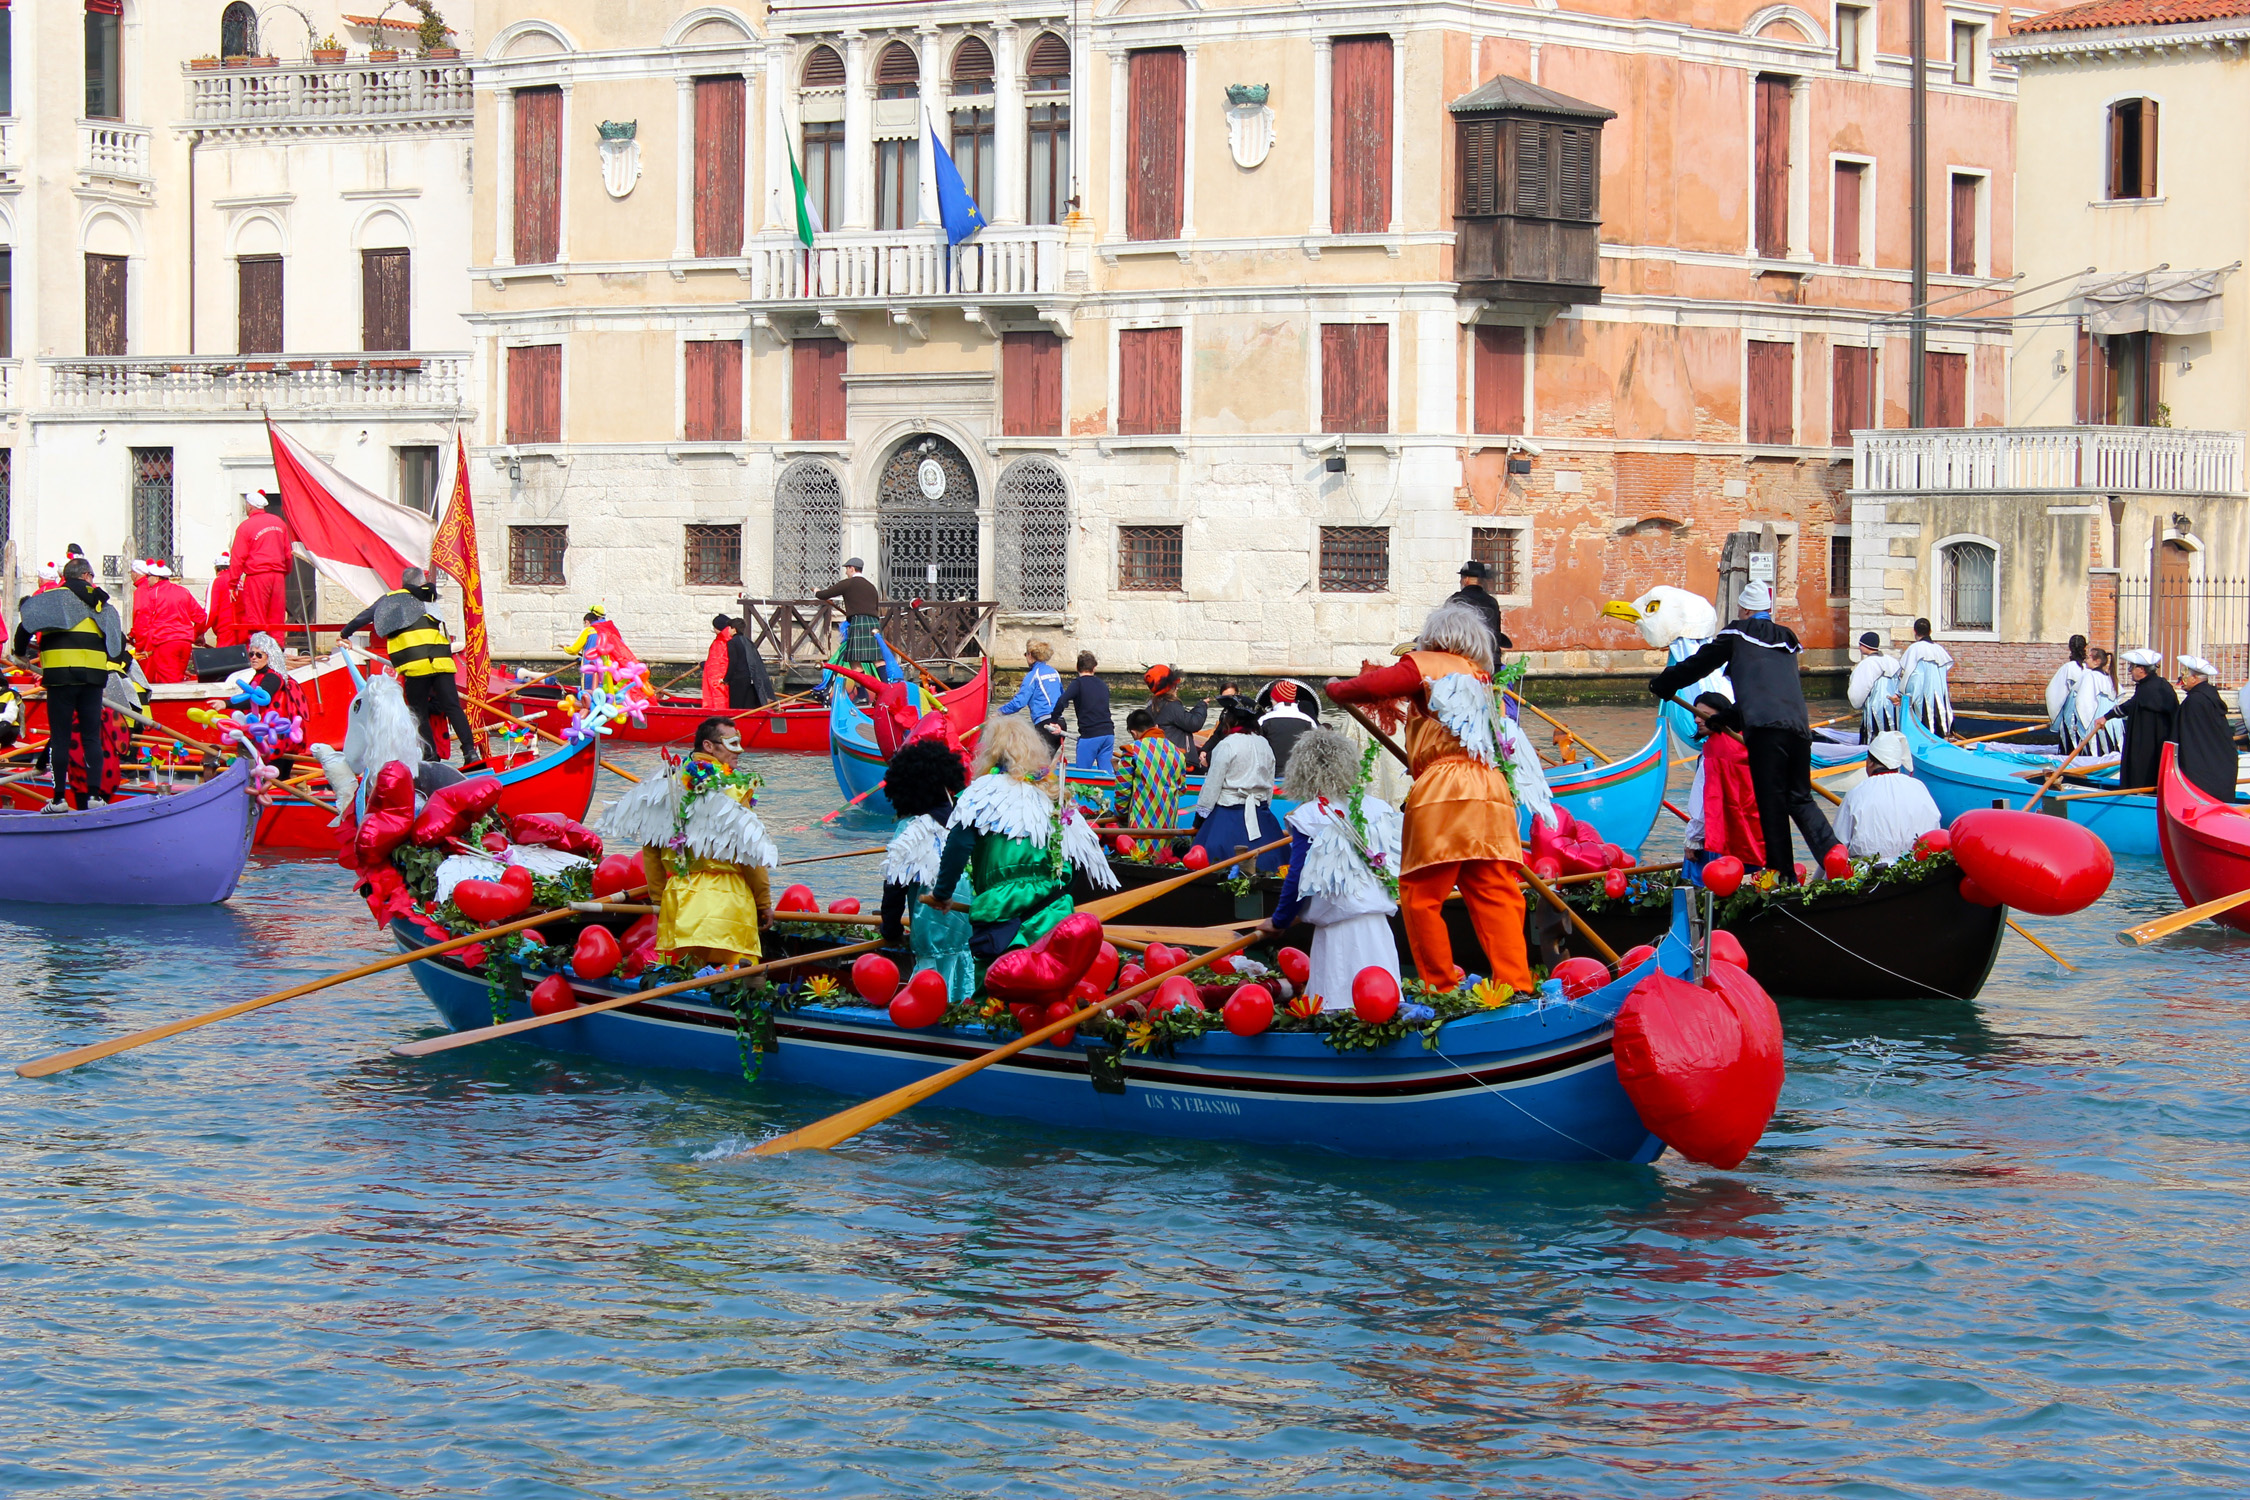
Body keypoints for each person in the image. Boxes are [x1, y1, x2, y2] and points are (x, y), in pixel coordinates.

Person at [1326, 600, 1555, 996]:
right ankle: (1517, 983)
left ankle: (1441, 986)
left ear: (1435, 637)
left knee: (1420, 894)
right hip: (1492, 791)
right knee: (1495, 892)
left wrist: (1334, 689)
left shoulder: (1429, 663)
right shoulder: (1483, 680)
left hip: (1445, 790)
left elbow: (1376, 686)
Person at [1648, 580, 1840, 884]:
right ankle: (1833, 854)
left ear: (1745, 609)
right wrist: (1721, 719)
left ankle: (1781, 875)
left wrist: (1664, 684)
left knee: (1772, 800)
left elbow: (1698, 664)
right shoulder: (1786, 642)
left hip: (1765, 731)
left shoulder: (1736, 634)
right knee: (1800, 799)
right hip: (1799, 729)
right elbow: (1764, 695)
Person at [928, 713, 1115, 964]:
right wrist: (1060, 894)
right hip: (1053, 913)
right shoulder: (1054, 796)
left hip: (1001, 914)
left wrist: (942, 894)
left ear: (990, 753)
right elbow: (1080, 859)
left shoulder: (981, 793)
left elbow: (958, 846)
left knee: (997, 994)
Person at [602, 715, 777, 968]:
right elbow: (749, 855)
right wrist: (764, 902)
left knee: (680, 975)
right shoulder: (736, 789)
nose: (740, 751)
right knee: (741, 981)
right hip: (729, 903)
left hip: (679, 901)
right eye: (732, 743)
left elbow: (651, 853)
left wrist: (659, 902)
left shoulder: (665, 788)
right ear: (708, 746)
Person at [1265, 726, 1404, 1010]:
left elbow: (1298, 879)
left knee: (1337, 1005)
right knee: (1384, 1003)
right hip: (1378, 926)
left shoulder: (1309, 815)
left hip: (1337, 934)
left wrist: (1279, 921)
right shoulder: (1379, 808)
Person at [12, 556, 125, 812]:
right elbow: (117, 647)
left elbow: (24, 628)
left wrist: (20, 654)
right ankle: (96, 797)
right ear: (86, 576)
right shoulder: (102, 604)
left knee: (60, 737)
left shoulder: (51, 599)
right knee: (91, 737)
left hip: (61, 678)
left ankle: (59, 799)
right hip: (94, 678)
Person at [340, 567, 478, 765]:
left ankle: (431, 757)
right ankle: (470, 752)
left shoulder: (391, 598)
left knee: (418, 712)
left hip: (415, 663)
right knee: (452, 707)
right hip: (441, 660)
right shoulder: (429, 598)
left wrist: (345, 633)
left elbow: (366, 616)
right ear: (421, 582)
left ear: (403, 583)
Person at [878, 736, 976, 1004]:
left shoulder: (910, 829)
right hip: (968, 931)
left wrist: (891, 929)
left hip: (930, 937)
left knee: (931, 994)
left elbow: (894, 887)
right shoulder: (963, 823)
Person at [1190, 703, 1286, 873]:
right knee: (1273, 862)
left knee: (1213, 861)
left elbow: (1212, 784)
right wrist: (1264, 809)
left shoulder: (1227, 744)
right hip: (1261, 814)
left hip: (1227, 815)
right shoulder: (1264, 744)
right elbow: (1269, 786)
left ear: (1230, 721)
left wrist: (1199, 819)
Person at [1682, 692, 1765, 882]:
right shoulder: (1743, 743)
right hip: (1748, 835)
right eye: (1695, 714)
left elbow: (1705, 798)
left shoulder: (1714, 749)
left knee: (1705, 889)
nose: (1696, 720)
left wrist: (1693, 837)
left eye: (1703, 714)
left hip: (1717, 836)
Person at [1830, 730, 1942, 862]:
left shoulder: (1856, 793)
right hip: (1917, 869)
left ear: (1870, 763)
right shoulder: (1919, 787)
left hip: (1869, 873)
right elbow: (1935, 829)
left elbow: (1838, 845)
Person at [2104, 649, 2178, 790]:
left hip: (2148, 743)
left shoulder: (2149, 688)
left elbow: (2131, 705)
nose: (2130, 671)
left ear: (2142, 670)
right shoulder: (2159, 685)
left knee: (2143, 770)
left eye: (2132, 667)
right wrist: (2108, 716)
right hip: (2156, 741)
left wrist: (2107, 716)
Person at [240, 631, 310, 777]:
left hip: (275, 738)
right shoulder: (260, 675)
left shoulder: (272, 677)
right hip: (267, 736)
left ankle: (277, 796)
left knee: (275, 776)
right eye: (251, 654)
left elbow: (256, 700)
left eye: (259, 655)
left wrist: (225, 704)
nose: (253, 658)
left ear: (269, 656)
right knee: (273, 776)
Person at [128, 560, 209, 685]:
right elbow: (201, 617)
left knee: (168, 683)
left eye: (149, 576)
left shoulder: (151, 594)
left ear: (156, 578)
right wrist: (195, 635)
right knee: (178, 677)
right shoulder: (183, 591)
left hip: (165, 642)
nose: (147, 579)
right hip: (185, 643)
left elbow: (143, 619)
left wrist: (137, 640)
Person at [2172, 655, 2236, 803]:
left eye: (2185, 676)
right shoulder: (2209, 697)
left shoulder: (2194, 701)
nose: (2182, 680)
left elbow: (2186, 737)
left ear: (2194, 679)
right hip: (2220, 765)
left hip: (2202, 773)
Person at [228, 493, 291, 638]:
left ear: (250, 506)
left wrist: (233, 583)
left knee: (257, 618)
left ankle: (260, 650)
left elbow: (238, 558)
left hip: (257, 576)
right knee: (277, 618)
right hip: (278, 575)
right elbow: (288, 553)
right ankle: (277, 649)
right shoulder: (279, 523)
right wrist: (284, 572)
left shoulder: (246, 527)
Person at [1116, 707, 1189, 830]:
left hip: (1140, 827)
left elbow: (1122, 791)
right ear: (1155, 726)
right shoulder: (1177, 753)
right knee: (1165, 851)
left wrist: (1121, 814)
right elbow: (1181, 789)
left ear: (1134, 733)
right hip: (1168, 827)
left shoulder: (1131, 752)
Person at [816, 558, 884, 673]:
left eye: (847, 569)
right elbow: (876, 606)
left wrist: (816, 592)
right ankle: (888, 686)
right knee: (878, 659)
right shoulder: (871, 587)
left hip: (858, 622)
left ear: (851, 568)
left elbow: (825, 594)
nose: (846, 572)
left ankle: (862, 691)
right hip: (873, 623)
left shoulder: (848, 583)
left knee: (854, 659)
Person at [1051, 651, 1114, 772]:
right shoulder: (1103, 685)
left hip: (1090, 735)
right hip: (1108, 734)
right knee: (1107, 773)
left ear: (1077, 667)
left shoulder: (1078, 684)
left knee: (1082, 774)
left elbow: (1062, 701)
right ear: (1094, 668)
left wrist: (1054, 720)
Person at [999, 640, 1065, 751]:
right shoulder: (1054, 672)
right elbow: (1063, 697)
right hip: (1061, 723)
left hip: (1046, 726)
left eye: (1025, 654)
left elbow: (1019, 702)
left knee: (1035, 763)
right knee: (1045, 761)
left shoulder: (1033, 675)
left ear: (1030, 655)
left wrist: (999, 712)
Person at [1898, 618, 1955, 737]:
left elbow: (1912, 676)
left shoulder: (1915, 649)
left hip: (1923, 697)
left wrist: (1901, 693)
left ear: (1914, 631)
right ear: (1930, 631)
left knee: (1925, 721)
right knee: (1940, 719)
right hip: (1940, 696)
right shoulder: (1939, 650)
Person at [1447, 559, 1511, 666]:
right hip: (1489, 658)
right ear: (1481, 581)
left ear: (1465, 579)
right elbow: (1496, 632)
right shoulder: (1491, 602)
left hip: (1462, 660)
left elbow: (1447, 632)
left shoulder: (1455, 600)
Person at [1256, 679, 1319, 776]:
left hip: (1271, 774)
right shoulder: (1309, 721)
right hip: (1298, 776)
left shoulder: (1263, 720)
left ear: (1274, 698)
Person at [1847, 631, 1901, 741]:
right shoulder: (1891, 661)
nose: (1859, 647)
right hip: (1892, 705)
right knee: (1891, 731)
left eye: (1860, 645)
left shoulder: (1867, 664)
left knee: (1874, 735)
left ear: (1866, 646)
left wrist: (1857, 704)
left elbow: (1859, 689)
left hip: (1876, 706)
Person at [1143, 665, 1207, 754]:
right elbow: (1194, 723)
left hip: (1162, 755)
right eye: (1175, 685)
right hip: (1179, 759)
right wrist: (1202, 705)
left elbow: (1183, 718)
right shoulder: (1171, 706)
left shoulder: (1151, 707)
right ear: (1170, 688)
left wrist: (1196, 709)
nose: (1177, 688)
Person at [567, 605, 641, 670]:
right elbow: (621, 647)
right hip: (608, 667)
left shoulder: (588, 631)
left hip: (591, 667)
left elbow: (574, 650)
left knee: (589, 686)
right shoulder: (612, 628)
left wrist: (565, 648)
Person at [726, 617, 773, 710]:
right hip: (749, 678)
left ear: (734, 629)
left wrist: (726, 679)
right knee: (747, 705)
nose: (728, 631)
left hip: (737, 679)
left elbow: (733, 662)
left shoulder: (732, 642)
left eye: (729, 628)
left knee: (736, 706)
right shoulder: (747, 641)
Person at [205, 552, 244, 650]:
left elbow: (211, 611)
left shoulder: (217, 581)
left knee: (225, 662)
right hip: (243, 630)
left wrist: (199, 632)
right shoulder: (242, 583)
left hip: (226, 630)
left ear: (217, 569)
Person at [701, 616, 736, 711]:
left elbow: (719, 662)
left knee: (718, 699)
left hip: (718, 679)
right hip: (722, 678)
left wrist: (707, 666)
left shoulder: (720, 642)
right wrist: (706, 664)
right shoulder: (728, 640)